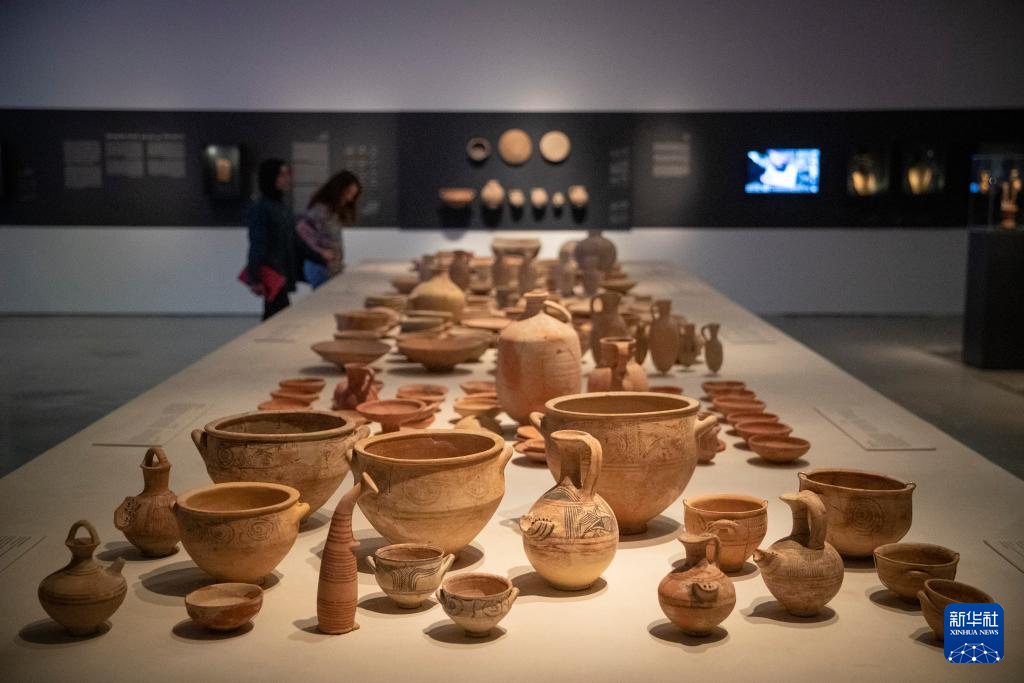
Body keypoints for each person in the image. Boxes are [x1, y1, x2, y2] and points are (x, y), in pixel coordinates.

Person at [246, 158, 330, 320]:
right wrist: (255, 278)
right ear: (270, 177)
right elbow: (257, 244)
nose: (286, 179)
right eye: (281, 175)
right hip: (273, 274)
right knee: (278, 317)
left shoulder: (281, 207)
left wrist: (320, 257)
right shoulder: (261, 208)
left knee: (274, 316)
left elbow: (296, 240)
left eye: (287, 174)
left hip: (283, 272)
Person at [295, 170, 361, 288]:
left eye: (353, 195)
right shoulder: (320, 210)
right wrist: (320, 251)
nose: (350, 199)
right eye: (348, 194)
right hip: (320, 267)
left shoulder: (332, 212)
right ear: (338, 191)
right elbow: (301, 232)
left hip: (330, 267)